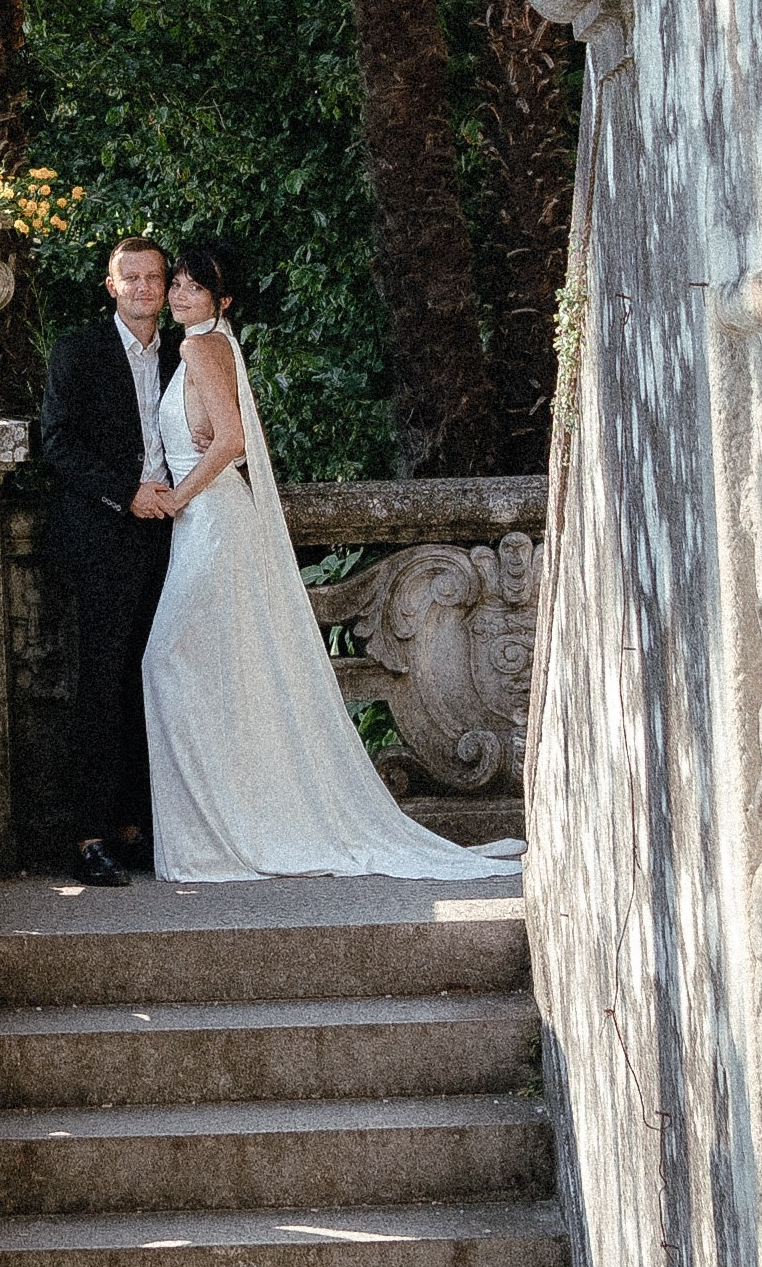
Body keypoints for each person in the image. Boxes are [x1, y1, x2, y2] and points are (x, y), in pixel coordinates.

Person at [140, 239, 526, 885]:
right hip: (208, 524)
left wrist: (177, 495)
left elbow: (231, 441)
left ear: (221, 301)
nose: (179, 295)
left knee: (167, 661)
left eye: (193, 287)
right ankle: (222, 825)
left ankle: (215, 836)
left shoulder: (199, 346)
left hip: (211, 523)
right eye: (176, 283)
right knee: (216, 673)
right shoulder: (211, 345)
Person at [37, 233, 176, 885]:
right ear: (111, 286)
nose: (145, 287)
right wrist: (126, 495)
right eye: (132, 277)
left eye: (154, 277)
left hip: (174, 538)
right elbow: (58, 444)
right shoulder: (79, 352)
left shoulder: (186, 350)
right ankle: (88, 835)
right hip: (103, 536)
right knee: (99, 684)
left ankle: (135, 827)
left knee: (152, 683)